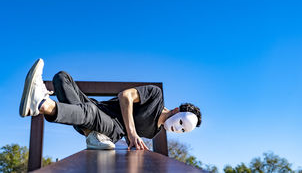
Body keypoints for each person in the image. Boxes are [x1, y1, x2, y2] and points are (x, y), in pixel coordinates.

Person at [19, 59, 201, 150]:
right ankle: (91, 132)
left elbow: (130, 146)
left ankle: (44, 105)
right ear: (177, 111)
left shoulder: (155, 131)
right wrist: (133, 134)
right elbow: (125, 96)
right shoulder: (155, 95)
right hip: (99, 108)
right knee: (61, 77)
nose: (178, 130)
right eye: (181, 124)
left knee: (89, 113)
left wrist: (132, 145)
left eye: (183, 131)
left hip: (113, 129)